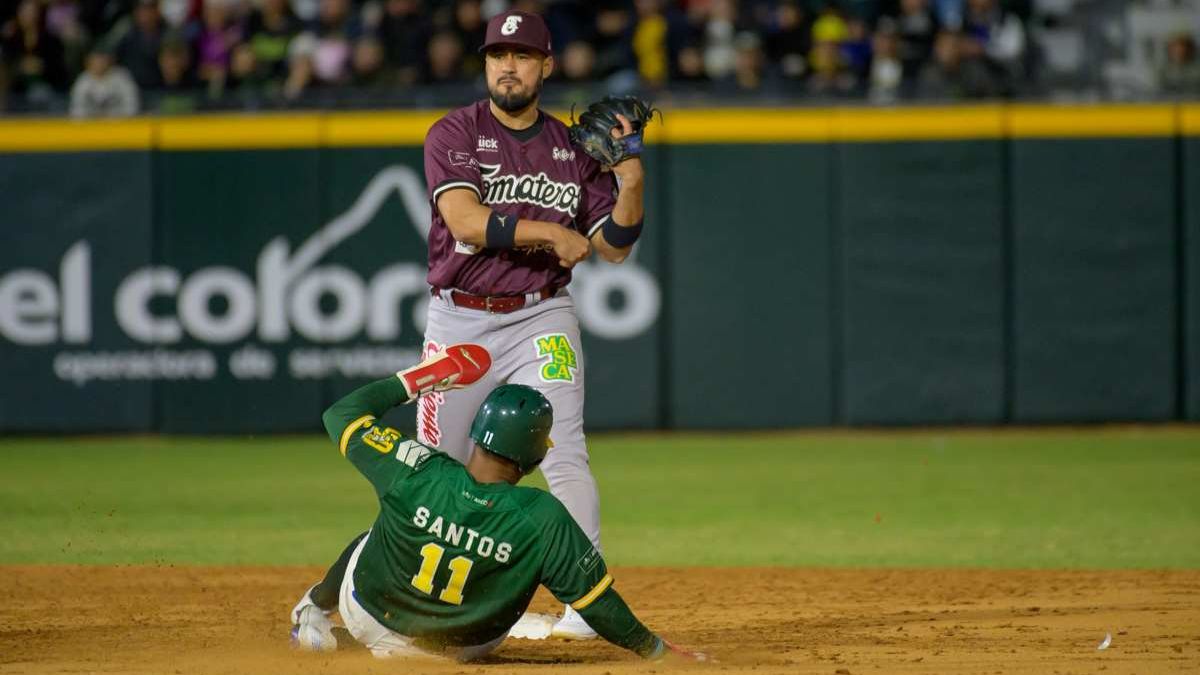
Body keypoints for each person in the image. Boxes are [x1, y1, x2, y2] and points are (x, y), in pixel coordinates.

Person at [417, 9, 648, 639]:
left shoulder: (573, 149)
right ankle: (438, 603)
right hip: (460, 319)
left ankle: (582, 606)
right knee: (438, 467)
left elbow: (617, 245)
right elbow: (466, 223)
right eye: (497, 55)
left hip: (541, 314)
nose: (507, 66)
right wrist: (551, 229)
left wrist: (629, 176)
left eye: (521, 56)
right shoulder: (455, 132)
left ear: (546, 66)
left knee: (565, 453)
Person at [289, 344, 701, 663]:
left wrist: (417, 381)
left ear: (476, 431)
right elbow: (598, 605)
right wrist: (655, 650)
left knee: (376, 535)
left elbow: (341, 415)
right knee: (525, 571)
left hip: (367, 615)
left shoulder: (416, 468)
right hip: (460, 649)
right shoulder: (542, 516)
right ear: (535, 458)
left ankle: (315, 611)